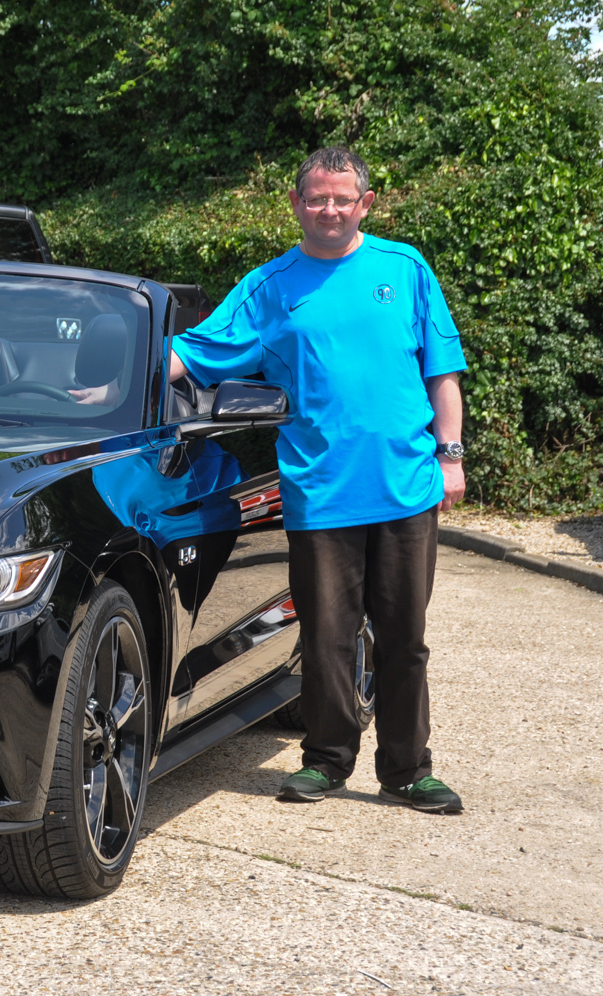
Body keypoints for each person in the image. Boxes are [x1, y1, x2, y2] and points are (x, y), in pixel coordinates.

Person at [165, 146, 467, 813]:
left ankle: (409, 770)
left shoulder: (405, 269)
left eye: (342, 198)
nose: (329, 209)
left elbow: (441, 373)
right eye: (316, 198)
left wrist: (451, 456)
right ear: (297, 204)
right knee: (328, 635)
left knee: (403, 635)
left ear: (364, 203)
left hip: (405, 486)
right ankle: (327, 762)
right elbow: (191, 354)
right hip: (319, 489)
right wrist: (109, 376)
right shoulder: (270, 288)